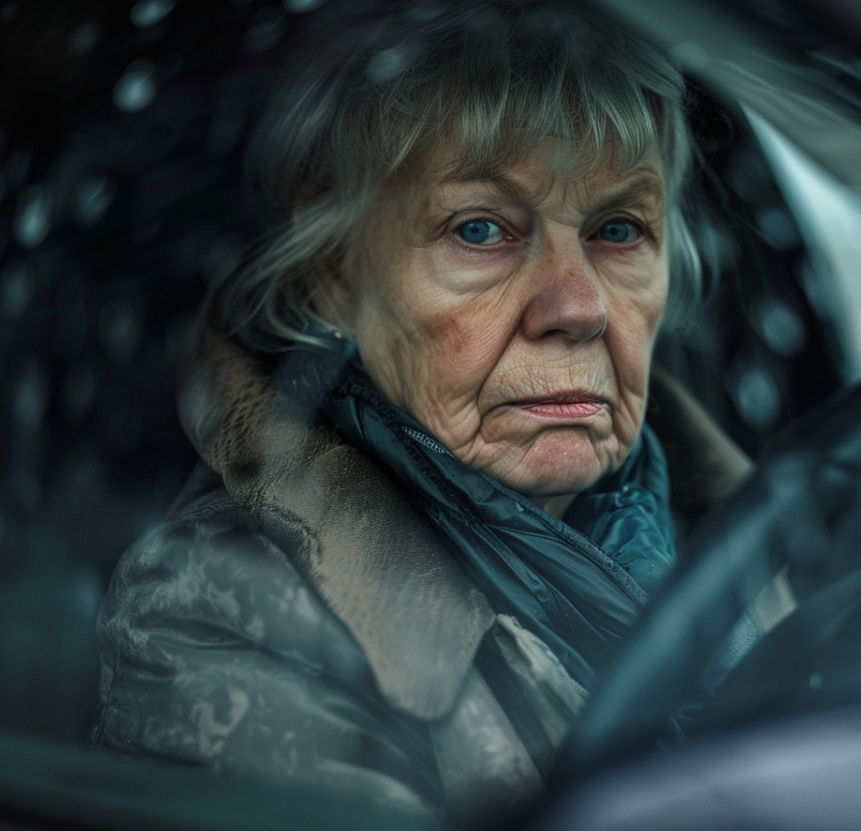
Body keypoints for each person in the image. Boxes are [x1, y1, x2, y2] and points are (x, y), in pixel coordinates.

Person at [91, 1, 750, 825]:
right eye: (481, 229)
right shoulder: (223, 609)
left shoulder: (774, 534)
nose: (579, 306)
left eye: (618, 229)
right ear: (335, 270)